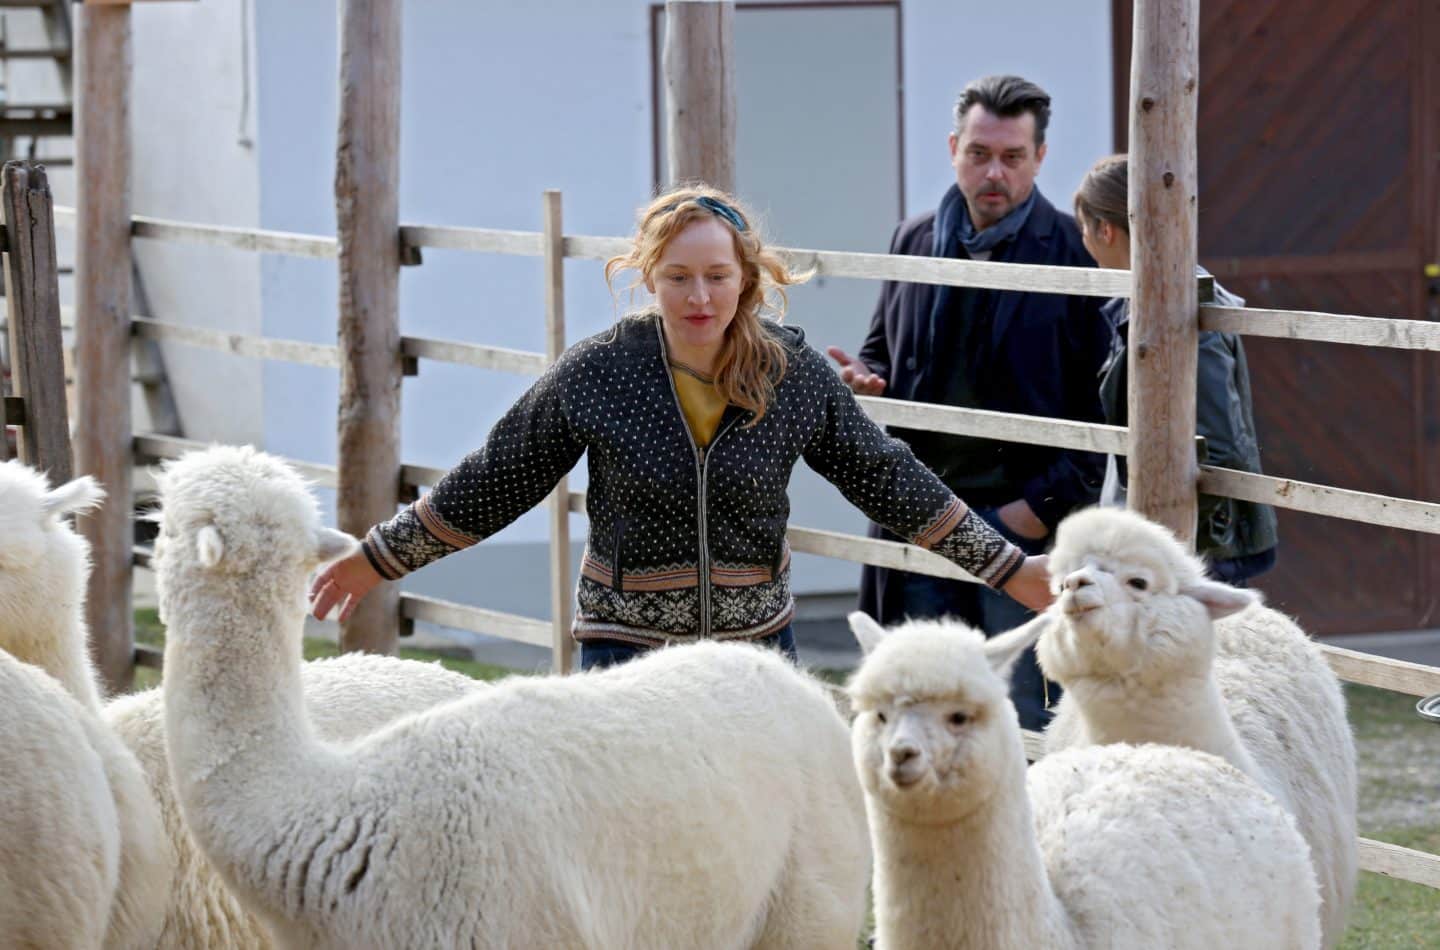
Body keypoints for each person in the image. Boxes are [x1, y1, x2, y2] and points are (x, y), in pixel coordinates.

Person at [310, 185, 1052, 670]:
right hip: (625, 653)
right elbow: (495, 479)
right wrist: (375, 560)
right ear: (648, 276)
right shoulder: (599, 372)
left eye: (717, 276)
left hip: (754, 655)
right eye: (677, 277)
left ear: (746, 278)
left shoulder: (790, 376)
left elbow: (888, 478)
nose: (699, 296)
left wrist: (1009, 569)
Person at [826, 75, 1111, 729]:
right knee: (916, 710)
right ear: (954, 147)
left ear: (1040, 158)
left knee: (1024, 720)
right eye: (979, 153)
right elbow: (880, 351)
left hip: (1024, 529)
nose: (994, 172)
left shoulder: (1078, 252)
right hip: (922, 518)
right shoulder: (914, 237)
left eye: (1012, 157)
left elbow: (1104, 410)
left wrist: (1032, 512)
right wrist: (868, 380)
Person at [1074, 154, 1278, 584]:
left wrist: (1173, 549)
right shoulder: (1141, 303)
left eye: (1084, 229)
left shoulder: (1184, 307)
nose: (1084, 241)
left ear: (1105, 230)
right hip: (1171, 541)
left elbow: (1217, 439)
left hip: (1200, 545)